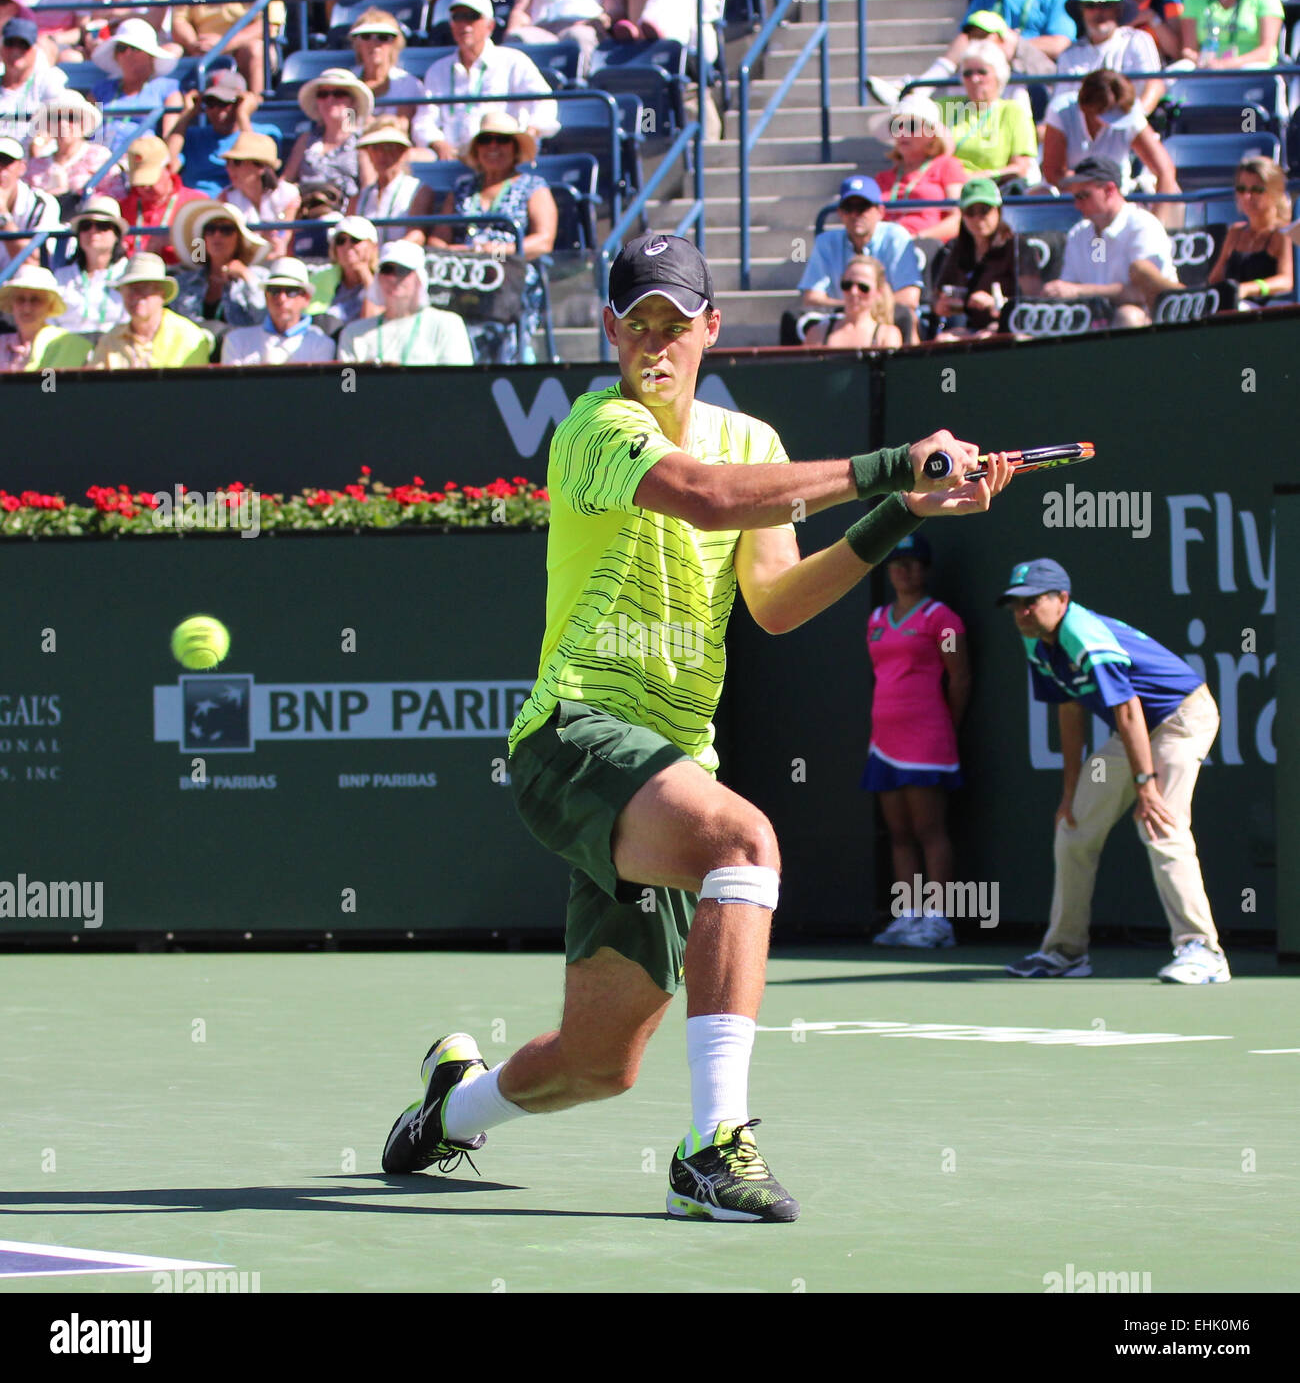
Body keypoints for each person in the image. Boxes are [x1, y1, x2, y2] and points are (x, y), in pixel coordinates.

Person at [376, 231, 1014, 1222]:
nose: (657, 346)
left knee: (596, 1064)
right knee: (744, 839)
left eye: (677, 325)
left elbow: (776, 602)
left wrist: (898, 508)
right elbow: (705, 499)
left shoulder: (752, 442)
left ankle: (452, 1106)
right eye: (638, 326)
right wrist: (886, 462)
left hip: (667, 761)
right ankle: (713, 1150)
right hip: (573, 735)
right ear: (612, 333)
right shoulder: (595, 427)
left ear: (711, 329)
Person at [999, 557, 1230, 984]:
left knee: (1162, 823)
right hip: (1135, 734)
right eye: (1015, 604)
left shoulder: (1082, 635)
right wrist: (1070, 791)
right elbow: (1070, 709)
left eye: (1031, 602)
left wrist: (1146, 784)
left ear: (1061, 599)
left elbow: (1127, 708)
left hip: (1182, 718)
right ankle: (1065, 952)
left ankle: (1202, 949)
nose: (1021, 612)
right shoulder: (1036, 640)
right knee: (1074, 825)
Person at [862, 532, 970, 949]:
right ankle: (909, 916)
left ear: (925, 569)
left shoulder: (941, 619)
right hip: (883, 739)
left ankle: (939, 921)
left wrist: (947, 725)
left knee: (929, 829)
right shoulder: (875, 620)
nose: (904, 570)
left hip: (928, 737)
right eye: (896, 563)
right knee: (899, 832)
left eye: (912, 563)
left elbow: (960, 676)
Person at [431, 111, 556, 362]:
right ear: (477, 149)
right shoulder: (462, 187)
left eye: (502, 140)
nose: (493, 147)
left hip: (511, 272)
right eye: (486, 140)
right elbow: (437, 238)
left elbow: (544, 240)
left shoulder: (533, 185)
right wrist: (454, 252)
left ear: (515, 147)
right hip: (463, 273)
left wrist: (496, 250)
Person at [411, 0, 560, 161]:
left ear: (490, 26)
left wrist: (528, 134)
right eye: (457, 17)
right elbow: (424, 120)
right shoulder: (437, 70)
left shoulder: (513, 61)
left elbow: (545, 103)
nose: (464, 25)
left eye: (472, 17)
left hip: (500, 153)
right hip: (452, 157)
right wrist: (439, 144)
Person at [1044, 154, 1178, 326]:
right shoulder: (1080, 233)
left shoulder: (1142, 225)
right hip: (1095, 321)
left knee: (1128, 317)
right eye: (1075, 197)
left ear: (1109, 190)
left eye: (1083, 196)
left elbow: (1144, 293)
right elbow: (1071, 286)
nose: (1077, 205)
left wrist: (1078, 291)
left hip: (1153, 325)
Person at [1041, 69, 1179, 224]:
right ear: (1088, 108)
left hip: (1118, 203)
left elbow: (1165, 170)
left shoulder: (1131, 113)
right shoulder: (1061, 111)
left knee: (1174, 191)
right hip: (1071, 204)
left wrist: (1156, 228)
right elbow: (1053, 172)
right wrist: (1092, 193)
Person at [798, 175, 922, 321]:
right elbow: (811, 298)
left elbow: (909, 298)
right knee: (793, 318)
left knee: (906, 317)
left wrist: (859, 308)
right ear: (840, 213)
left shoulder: (896, 237)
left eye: (862, 207)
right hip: (841, 322)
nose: (855, 214)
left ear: (880, 212)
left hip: (888, 320)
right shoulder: (826, 242)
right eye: (848, 208)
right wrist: (854, 309)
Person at [868, 7, 1035, 113]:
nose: (974, 78)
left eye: (984, 36)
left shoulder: (1017, 93)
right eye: (974, 37)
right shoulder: (957, 88)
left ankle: (913, 90)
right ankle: (912, 93)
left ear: (1002, 40)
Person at [932, 177, 1041, 338]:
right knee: (944, 340)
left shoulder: (1017, 247)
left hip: (1009, 327)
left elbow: (1035, 301)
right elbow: (937, 296)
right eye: (970, 212)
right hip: (971, 328)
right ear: (962, 215)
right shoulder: (957, 249)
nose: (978, 219)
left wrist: (998, 304)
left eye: (984, 210)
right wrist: (940, 306)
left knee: (985, 339)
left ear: (998, 210)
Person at [336, 237, 474, 364]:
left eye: (403, 270)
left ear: (419, 278)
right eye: (387, 269)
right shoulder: (353, 334)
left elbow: (456, 384)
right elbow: (347, 389)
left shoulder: (447, 325)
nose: (393, 277)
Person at [167, 69, 284, 199]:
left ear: (241, 102)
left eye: (224, 103)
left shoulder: (265, 134)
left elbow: (259, 172)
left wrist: (243, 116)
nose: (218, 110)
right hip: (196, 207)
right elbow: (167, 166)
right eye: (211, 103)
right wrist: (187, 114)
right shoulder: (190, 136)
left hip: (241, 206)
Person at [89, 249, 213, 367]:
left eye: (144, 288)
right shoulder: (110, 341)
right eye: (130, 289)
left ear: (162, 294)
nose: (136, 296)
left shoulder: (189, 337)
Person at [938, 42, 1038, 187]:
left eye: (982, 72)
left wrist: (984, 176)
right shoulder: (944, 106)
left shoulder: (1013, 111)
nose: (974, 79)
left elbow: (1020, 168)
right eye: (968, 73)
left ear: (998, 75)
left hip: (991, 188)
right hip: (945, 185)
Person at [1054, 0, 1165, 117]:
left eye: (1106, 5)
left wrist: (1136, 119)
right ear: (1081, 11)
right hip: (1082, 130)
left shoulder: (1138, 40)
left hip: (1131, 124)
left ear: (1118, 9)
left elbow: (1154, 85)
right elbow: (1060, 104)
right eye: (1090, 6)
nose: (1098, 12)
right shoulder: (1069, 55)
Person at [873, 97, 966, 243]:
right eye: (896, 125)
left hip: (931, 249)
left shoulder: (947, 166)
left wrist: (918, 239)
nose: (901, 131)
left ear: (931, 134)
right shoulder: (882, 178)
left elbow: (959, 218)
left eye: (911, 126)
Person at [88, 16, 182, 157]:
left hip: (141, 161)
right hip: (97, 160)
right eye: (121, 48)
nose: (127, 54)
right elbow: (81, 129)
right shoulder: (101, 89)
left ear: (151, 55)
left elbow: (171, 136)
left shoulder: (167, 89)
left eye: (134, 48)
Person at [1206, 155, 1293, 305]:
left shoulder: (1285, 232)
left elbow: (1286, 280)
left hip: (1268, 313)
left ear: (1275, 191)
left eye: (1257, 189)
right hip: (1233, 310)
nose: (1247, 196)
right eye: (1241, 189)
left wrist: (1247, 289)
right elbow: (1215, 279)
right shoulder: (1235, 232)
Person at [170, 197, 269, 326]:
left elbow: (263, 319)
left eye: (226, 230)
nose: (217, 235)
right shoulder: (184, 282)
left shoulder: (259, 277)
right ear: (203, 239)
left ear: (238, 239)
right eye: (210, 229)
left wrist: (246, 276)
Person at [219, 255, 336, 365]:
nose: (281, 298)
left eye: (291, 291)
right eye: (274, 290)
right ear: (266, 295)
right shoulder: (237, 341)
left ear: (306, 298)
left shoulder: (321, 345)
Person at [282, 68, 374, 205]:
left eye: (339, 93)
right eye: (323, 94)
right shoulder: (305, 140)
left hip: (345, 216)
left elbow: (369, 187)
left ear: (352, 102)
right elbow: (285, 182)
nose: (330, 99)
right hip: (307, 214)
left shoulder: (363, 141)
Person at [116, 133, 206, 265]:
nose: (145, 187)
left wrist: (178, 241)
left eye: (150, 180)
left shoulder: (197, 203)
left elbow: (202, 260)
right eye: (140, 182)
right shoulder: (122, 208)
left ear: (169, 168)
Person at [170, 0, 284, 95]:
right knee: (170, 53)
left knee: (256, 50)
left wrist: (222, 45)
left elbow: (268, 24)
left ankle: (255, 110)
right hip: (201, 48)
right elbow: (179, 21)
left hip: (243, 45)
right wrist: (195, 44)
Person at [51, 192, 127, 332]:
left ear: (116, 235)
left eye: (102, 226)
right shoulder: (61, 277)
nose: (93, 232)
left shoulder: (128, 273)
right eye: (86, 226)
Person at [353, 117, 436, 244]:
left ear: (402, 152)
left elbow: (416, 234)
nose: (381, 155)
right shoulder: (358, 199)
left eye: (389, 147)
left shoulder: (418, 191)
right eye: (375, 148)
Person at [218, 130, 299, 259]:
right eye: (228, 162)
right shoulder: (224, 199)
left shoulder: (289, 195)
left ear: (260, 167)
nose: (229, 169)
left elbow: (282, 243)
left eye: (237, 162)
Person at [24, 91, 117, 201]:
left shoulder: (99, 157)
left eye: (71, 117)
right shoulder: (37, 165)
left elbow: (115, 196)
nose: (63, 124)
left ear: (83, 123)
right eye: (56, 118)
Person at [0, 262, 92, 368]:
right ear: (12, 304)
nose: (27, 308)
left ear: (50, 306)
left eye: (35, 300)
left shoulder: (63, 343)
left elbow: (52, 384)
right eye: (20, 299)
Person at [799, 255, 902, 349]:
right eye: (847, 285)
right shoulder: (818, 333)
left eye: (863, 287)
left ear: (879, 291)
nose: (854, 292)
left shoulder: (887, 335)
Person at [347, 6, 422, 132]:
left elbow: (403, 127)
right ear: (357, 43)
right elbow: (346, 126)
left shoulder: (408, 84)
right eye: (366, 36)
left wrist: (370, 124)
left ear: (395, 43)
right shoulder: (346, 82)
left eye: (383, 37)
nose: (374, 43)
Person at [504, 0, 609, 76]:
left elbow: (613, 10)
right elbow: (521, 10)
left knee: (578, 36)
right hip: (541, 28)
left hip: (584, 24)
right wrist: (511, 32)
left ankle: (578, 93)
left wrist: (597, 21)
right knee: (516, 39)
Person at [0, 15, 66, 141]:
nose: (15, 50)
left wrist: (41, 141)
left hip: (34, 157)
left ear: (35, 49)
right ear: (2, 48)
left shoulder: (49, 81)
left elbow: (59, 125)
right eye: (10, 43)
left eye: (23, 45)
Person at [307, 213, 380, 325]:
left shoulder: (386, 277)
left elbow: (372, 322)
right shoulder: (320, 277)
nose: (347, 246)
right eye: (341, 241)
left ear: (373, 246)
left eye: (355, 240)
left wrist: (365, 275)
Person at [1175, 0, 1283, 68]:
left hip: (1250, 68)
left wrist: (1225, 65)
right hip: (1206, 68)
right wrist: (1203, 62)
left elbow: (1266, 52)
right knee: (1180, 69)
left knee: (1253, 69)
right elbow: (1188, 50)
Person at [0, 130, 59, 259]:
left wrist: (2, 216)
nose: (0, 169)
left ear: (22, 167)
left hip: (24, 278)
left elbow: (35, 261)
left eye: (5, 161)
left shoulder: (43, 203)